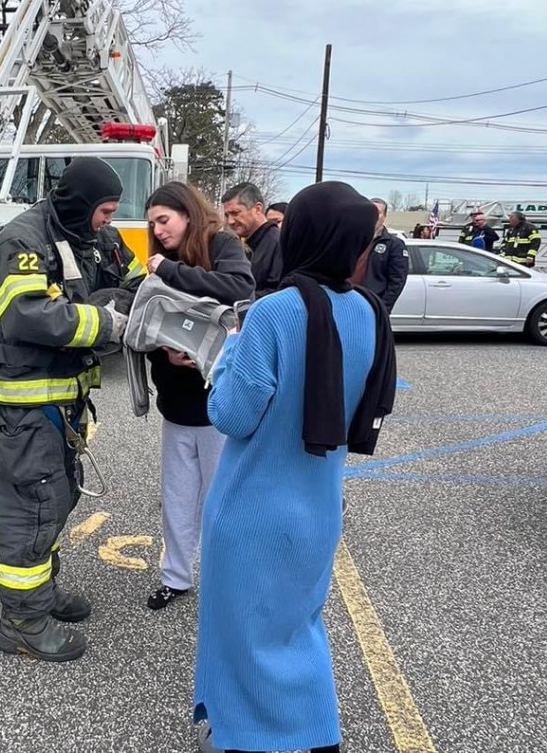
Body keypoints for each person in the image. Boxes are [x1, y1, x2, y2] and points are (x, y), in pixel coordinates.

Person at [194, 181, 396, 753]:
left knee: (242, 633)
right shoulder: (370, 312)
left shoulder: (274, 312)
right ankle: (316, 732)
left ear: (299, 234)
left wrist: (228, 350)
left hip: (250, 509)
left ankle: (243, 736)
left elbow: (231, 414)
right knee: (299, 627)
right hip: (318, 507)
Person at [0, 157, 145, 662]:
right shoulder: (20, 242)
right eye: (105, 211)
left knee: (56, 498)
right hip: (26, 405)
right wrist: (107, 323)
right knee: (31, 507)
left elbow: (138, 283)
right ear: (80, 203)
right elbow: (28, 317)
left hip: (64, 400)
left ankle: (42, 596)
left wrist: (129, 303)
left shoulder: (96, 237)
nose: (110, 220)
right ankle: (22, 623)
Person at [144, 182, 255, 611]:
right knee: (176, 497)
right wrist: (165, 352)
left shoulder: (220, 244)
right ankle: (175, 576)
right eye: (153, 224)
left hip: (216, 404)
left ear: (188, 213)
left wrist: (169, 272)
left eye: (164, 220)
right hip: (176, 402)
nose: (158, 231)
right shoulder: (160, 258)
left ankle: (225, 582)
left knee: (219, 498)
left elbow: (238, 287)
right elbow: (146, 320)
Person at [221, 183, 282, 297]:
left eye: (235, 213)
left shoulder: (277, 243)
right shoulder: (243, 242)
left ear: (257, 209)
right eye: (227, 215)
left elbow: (278, 292)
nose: (230, 221)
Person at [350, 198, 410, 312]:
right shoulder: (352, 239)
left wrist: (383, 308)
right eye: (369, 212)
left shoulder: (393, 244)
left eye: (378, 212)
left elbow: (397, 281)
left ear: (384, 216)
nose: (373, 216)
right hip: (347, 300)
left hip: (371, 304)